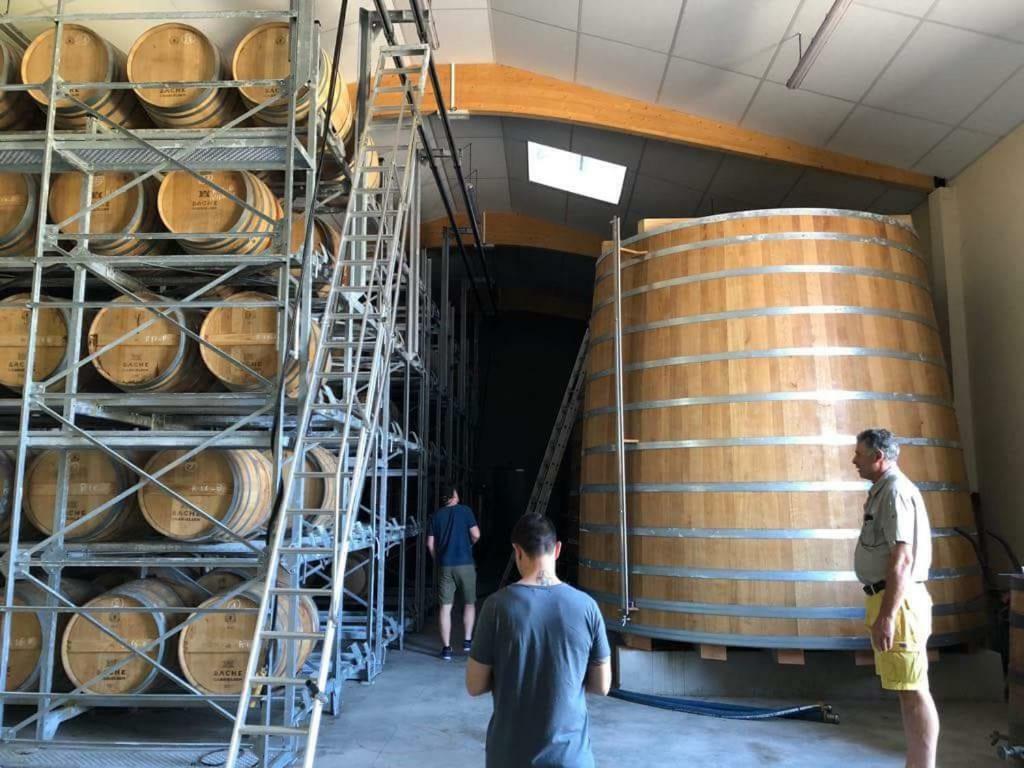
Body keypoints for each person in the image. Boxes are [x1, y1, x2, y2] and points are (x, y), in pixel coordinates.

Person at [465, 513, 611, 768]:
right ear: (557, 550)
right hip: (570, 758)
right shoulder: (587, 607)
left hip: (510, 756)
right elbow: (602, 685)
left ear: (517, 551)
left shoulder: (496, 607)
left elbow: (475, 685)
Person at [853, 428, 939, 768]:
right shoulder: (882, 490)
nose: (854, 460)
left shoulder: (895, 492)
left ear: (879, 457)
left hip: (899, 602)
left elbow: (902, 558)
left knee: (915, 689)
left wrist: (888, 615)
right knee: (907, 689)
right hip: (889, 598)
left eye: (859, 454)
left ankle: (923, 764)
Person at [426, 485, 481, 661]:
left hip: (445, 565)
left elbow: (430, 544)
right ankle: (467, 641)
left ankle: (447, 649)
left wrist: (438, 559)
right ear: (454, 496)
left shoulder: (436, 516)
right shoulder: (465, 511)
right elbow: (476, 534)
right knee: (469, 603)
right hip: (465, 563)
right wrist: (469, 544)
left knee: (445, 607)